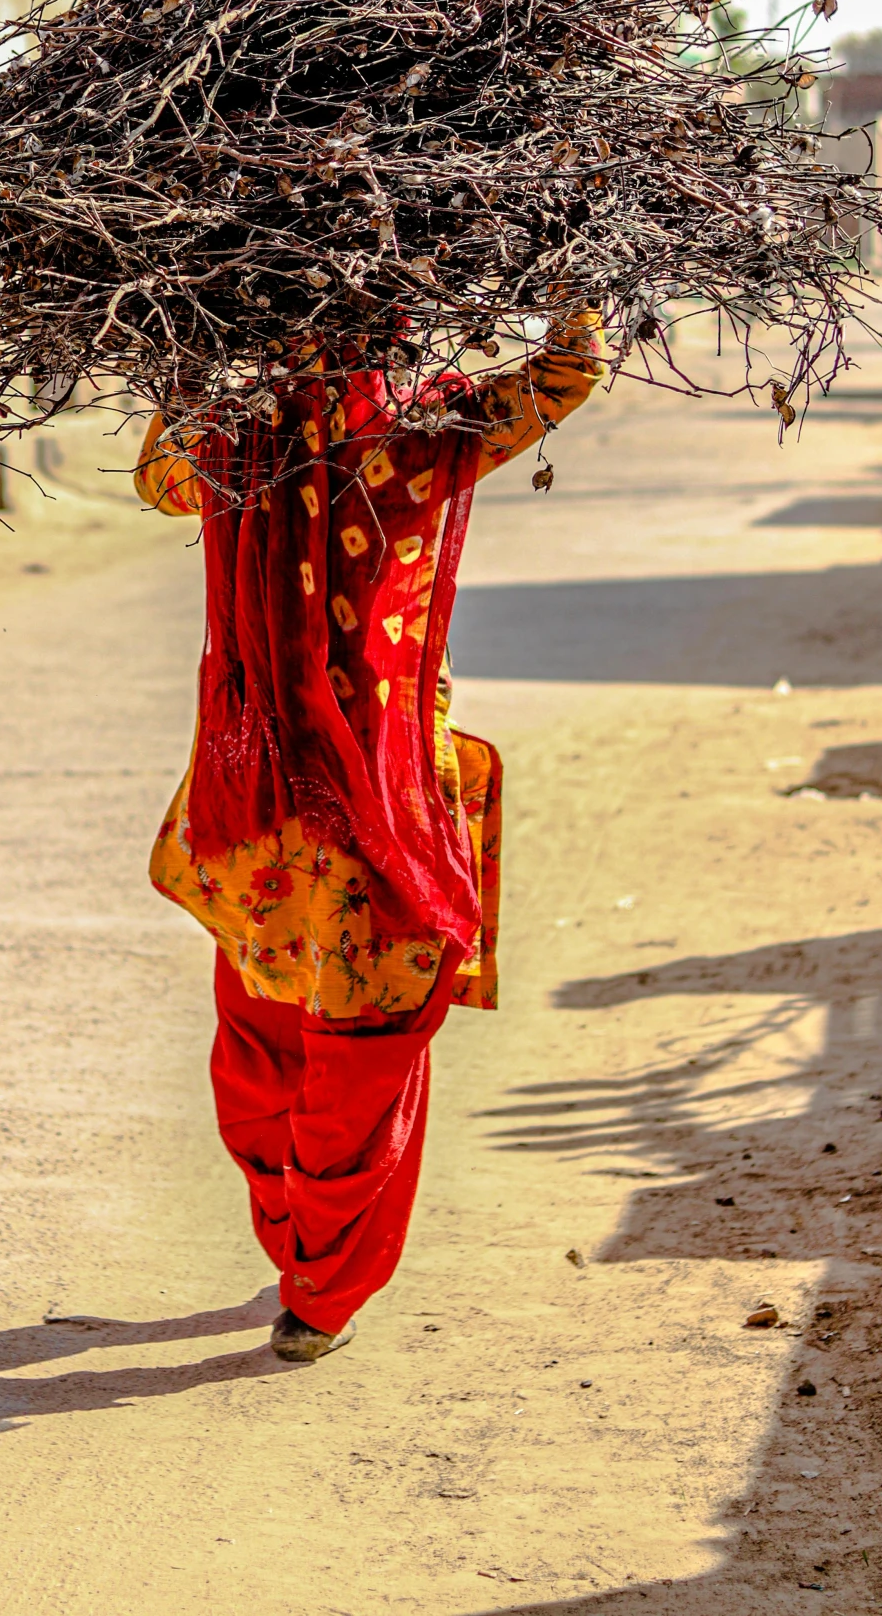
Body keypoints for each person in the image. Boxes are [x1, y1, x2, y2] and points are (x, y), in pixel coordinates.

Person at [135, 311, 603, 1361]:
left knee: (260, 1027)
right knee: (363, 1038)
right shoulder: (423, 433)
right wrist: (581, 266)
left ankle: (297, 1249)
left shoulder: (225, 439)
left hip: (254, 797)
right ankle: (321, 1287)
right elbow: (569, 371)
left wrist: (181, 359)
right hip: (377, 800)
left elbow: (155, 479)